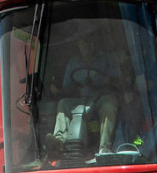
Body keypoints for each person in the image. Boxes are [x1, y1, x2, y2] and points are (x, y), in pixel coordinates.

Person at [49, 30, 123, 162]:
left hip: (100, 98)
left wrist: (109, 81)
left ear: (95, 44)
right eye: (84, 42)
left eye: (90, 41)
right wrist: (58, 90)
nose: (87, 45)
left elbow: (120, 83)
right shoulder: (73, 63)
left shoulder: (105, 60)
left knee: (110, 103)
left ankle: (105, 149)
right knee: (63, 104)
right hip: (80, 100)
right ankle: (59, 142)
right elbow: (68, 88)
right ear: (79, 44)